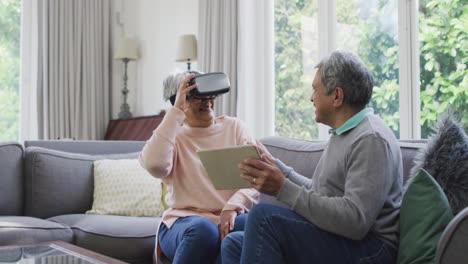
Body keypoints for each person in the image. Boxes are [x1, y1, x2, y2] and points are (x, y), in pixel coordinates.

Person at [221, 51, 403, 264]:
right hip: (343, 239)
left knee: (263, 219)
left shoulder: (370, 139)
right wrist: (280, 170)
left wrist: (283, 188)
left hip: (372, 249)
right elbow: (322, 193)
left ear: (337, 96)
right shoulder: (343, 133)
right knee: (234, 242)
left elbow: (355, 220)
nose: (311, 98)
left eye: (315, 89)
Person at [139, 71, 258, 264]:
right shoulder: (172, 135)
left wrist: (232, 206)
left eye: (209, 94)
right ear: (178, 100)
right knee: (204, 230)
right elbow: (155, 166)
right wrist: (176, 113)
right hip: (183, 222)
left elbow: (255, 178)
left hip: (230, 215)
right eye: (196, 96)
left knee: (252, 224)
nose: (207, 100)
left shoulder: (235, 128)